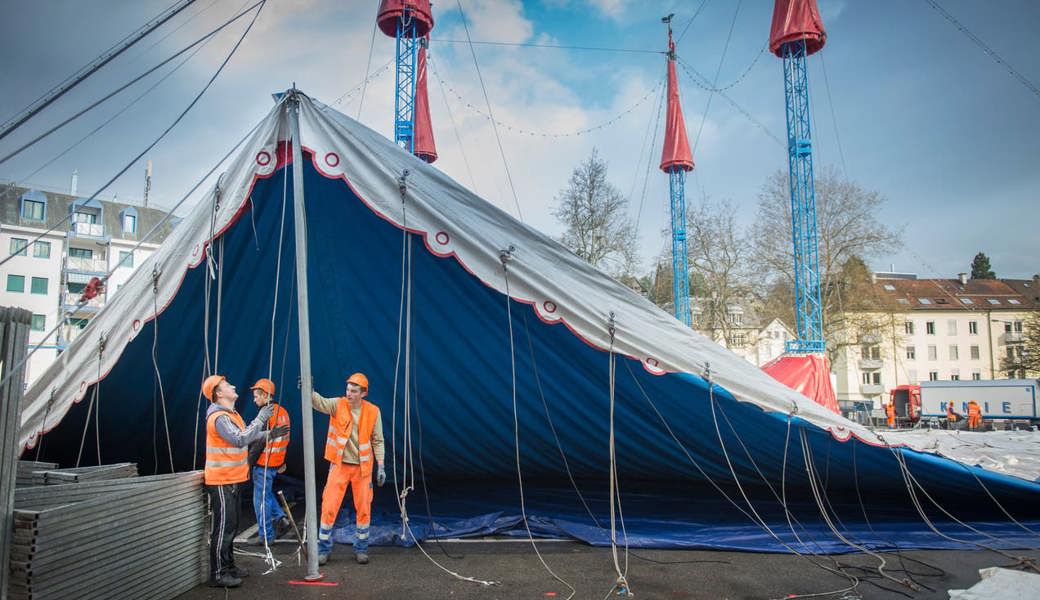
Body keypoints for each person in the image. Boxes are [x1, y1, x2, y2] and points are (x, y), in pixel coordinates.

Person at [201, 375, 288, 588]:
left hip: (232, 479)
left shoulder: (231, 414)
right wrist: (260, 420)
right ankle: (218, 573)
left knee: (231, 525)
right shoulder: (219, 418)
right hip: (221, 481)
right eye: (226, 385)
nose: (232, 385)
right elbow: (239, 439)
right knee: (223, 528)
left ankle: (229, 567)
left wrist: (268, 432)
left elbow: (244, 436)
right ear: (219, 394)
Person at [312, 372, 385, 566]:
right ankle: (323, 549)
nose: (349, 394)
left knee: (363, 509)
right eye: (348, 390)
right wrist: (309, 391)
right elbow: (319, 403)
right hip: (340, 465)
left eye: (354, 391)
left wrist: (381, 465)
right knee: (329, 507)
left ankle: (361, 548)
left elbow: (378, 440)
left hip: (362, 469)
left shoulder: (373, 412)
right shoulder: (338, 404)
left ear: (363, 393)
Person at [247, 378, 291, 546]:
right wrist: (281, 462)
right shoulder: (283, 412)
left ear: (265, 395)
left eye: (256, 396)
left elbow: (258, 444)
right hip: (275, 462)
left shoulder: (265, 414)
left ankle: (266, 536)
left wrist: (247, 465)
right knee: (266, 494)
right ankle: (281, 518)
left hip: (263, 464)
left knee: (260, 500)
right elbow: (286, 439)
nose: (254, 400)